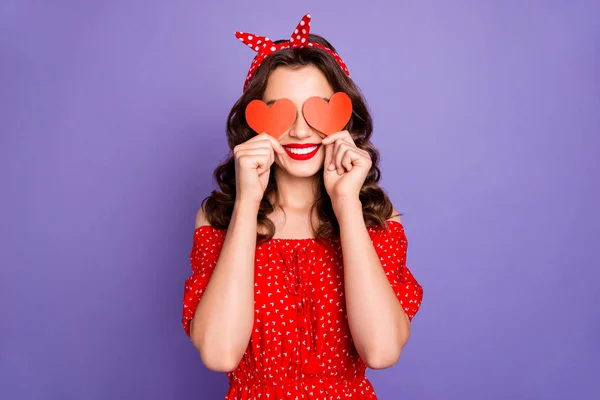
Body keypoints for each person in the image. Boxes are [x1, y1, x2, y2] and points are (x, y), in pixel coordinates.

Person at [182, 13, 424, 400]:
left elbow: (380, 351)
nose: (298, 130)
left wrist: (346, 205)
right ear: (254, 122)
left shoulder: (374, 218)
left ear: (346, 116)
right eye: (279, 111)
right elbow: (219, 352)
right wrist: (247, 202)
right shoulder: (220, 218)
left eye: (317, 109)